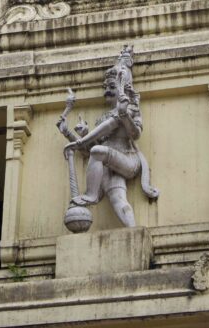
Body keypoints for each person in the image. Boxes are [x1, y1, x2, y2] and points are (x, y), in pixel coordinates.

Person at [60, 47, 158, 227]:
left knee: (98, 151)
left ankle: (90, 194)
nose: (107, 91)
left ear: (122, 88)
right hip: (110, 164)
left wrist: (124, 116)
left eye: (111, 87)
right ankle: (133, 230)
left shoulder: (129, 109)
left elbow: (134, 134)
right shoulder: (102, 118)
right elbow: (89, 150)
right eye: (105, 87)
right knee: (117, 199)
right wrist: (71, 134)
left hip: (129, 160)